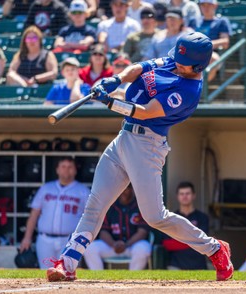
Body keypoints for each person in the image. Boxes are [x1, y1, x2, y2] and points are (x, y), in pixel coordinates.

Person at [46, 32, 233, 282]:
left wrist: (111, 103)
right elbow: (139, 68)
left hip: (148, 145)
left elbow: (146, 112)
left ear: (198, 66)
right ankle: (66, 264)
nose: (176, 61)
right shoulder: (174, 61)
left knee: (155, 217)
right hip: (124, 138)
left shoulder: (189, 90)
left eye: (183, 61)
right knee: (95, 205)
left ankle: (214, 249)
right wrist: (115, 79)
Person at [19, 157, 90, 269]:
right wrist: (27, 238)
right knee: (46, 273)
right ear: (57, 170)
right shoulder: (46, 188)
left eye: (70, 167)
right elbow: (34, 215)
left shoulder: (83, 191)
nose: (66, 170)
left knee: (68, 273)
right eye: (63, 166)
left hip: (70, 241)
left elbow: (89, 218)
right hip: (45, 239)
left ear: (75, 170)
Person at [83, 184, 151, 270]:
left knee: (143, 248)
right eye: (121, 188)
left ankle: (133, 279)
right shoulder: (110, 206)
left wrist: (126, 244)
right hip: (113, 246)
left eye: (127, 188)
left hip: (132, 246)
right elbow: (103, 232)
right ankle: (98, 278)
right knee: (90, 248)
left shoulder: (140, 206)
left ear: (132, 190)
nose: (124, 191)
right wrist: (113, 244)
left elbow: (142, 233)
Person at [162, 182, 209, 270]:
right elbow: (167, 244)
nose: (184, 196)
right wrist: (193, 240)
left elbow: (203, 242)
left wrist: (179, 239)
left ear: (193, 196)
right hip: (175, 266)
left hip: (199, 266)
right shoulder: (171, 218)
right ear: (177, 196)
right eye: (181, 194)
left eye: (187, 193)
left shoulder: (202, 217)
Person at [188, 0, 231, 81]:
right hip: (192, 52)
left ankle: (202, 86)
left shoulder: (222, 21)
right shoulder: (194, 21)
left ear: (215, 6)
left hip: (210, 53)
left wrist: (205, 45)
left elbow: (225, 42)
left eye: (209, 5)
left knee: (214, 58)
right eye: (203, 5)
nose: (206, 7)